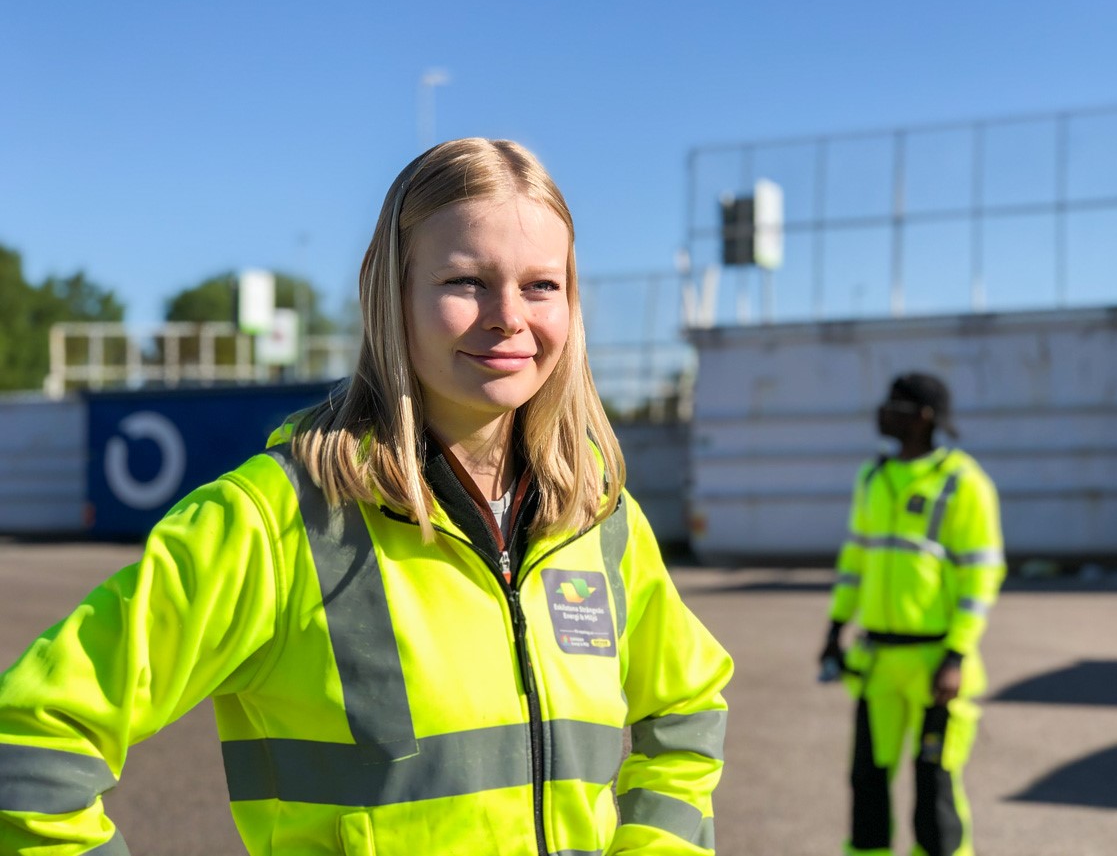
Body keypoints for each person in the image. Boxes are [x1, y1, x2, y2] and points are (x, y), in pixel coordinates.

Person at [0, 138, 734, 856]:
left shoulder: (598, 520)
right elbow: (29, 739)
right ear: (391, 294)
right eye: (464, 281)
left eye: (541, 285)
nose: (508, 315)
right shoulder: (273, 518)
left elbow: (685, 709)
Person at [819, 372, 1004, 856]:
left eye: (894, 405)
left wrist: (958, 653)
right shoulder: (873, 477)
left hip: (935, 667)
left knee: (933, 789)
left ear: (923, 417)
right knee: (867, 784)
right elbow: (854, 562)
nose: (882, 411)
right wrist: (835, 629)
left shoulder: (963, 483)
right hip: (876, 664)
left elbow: (982, 576)